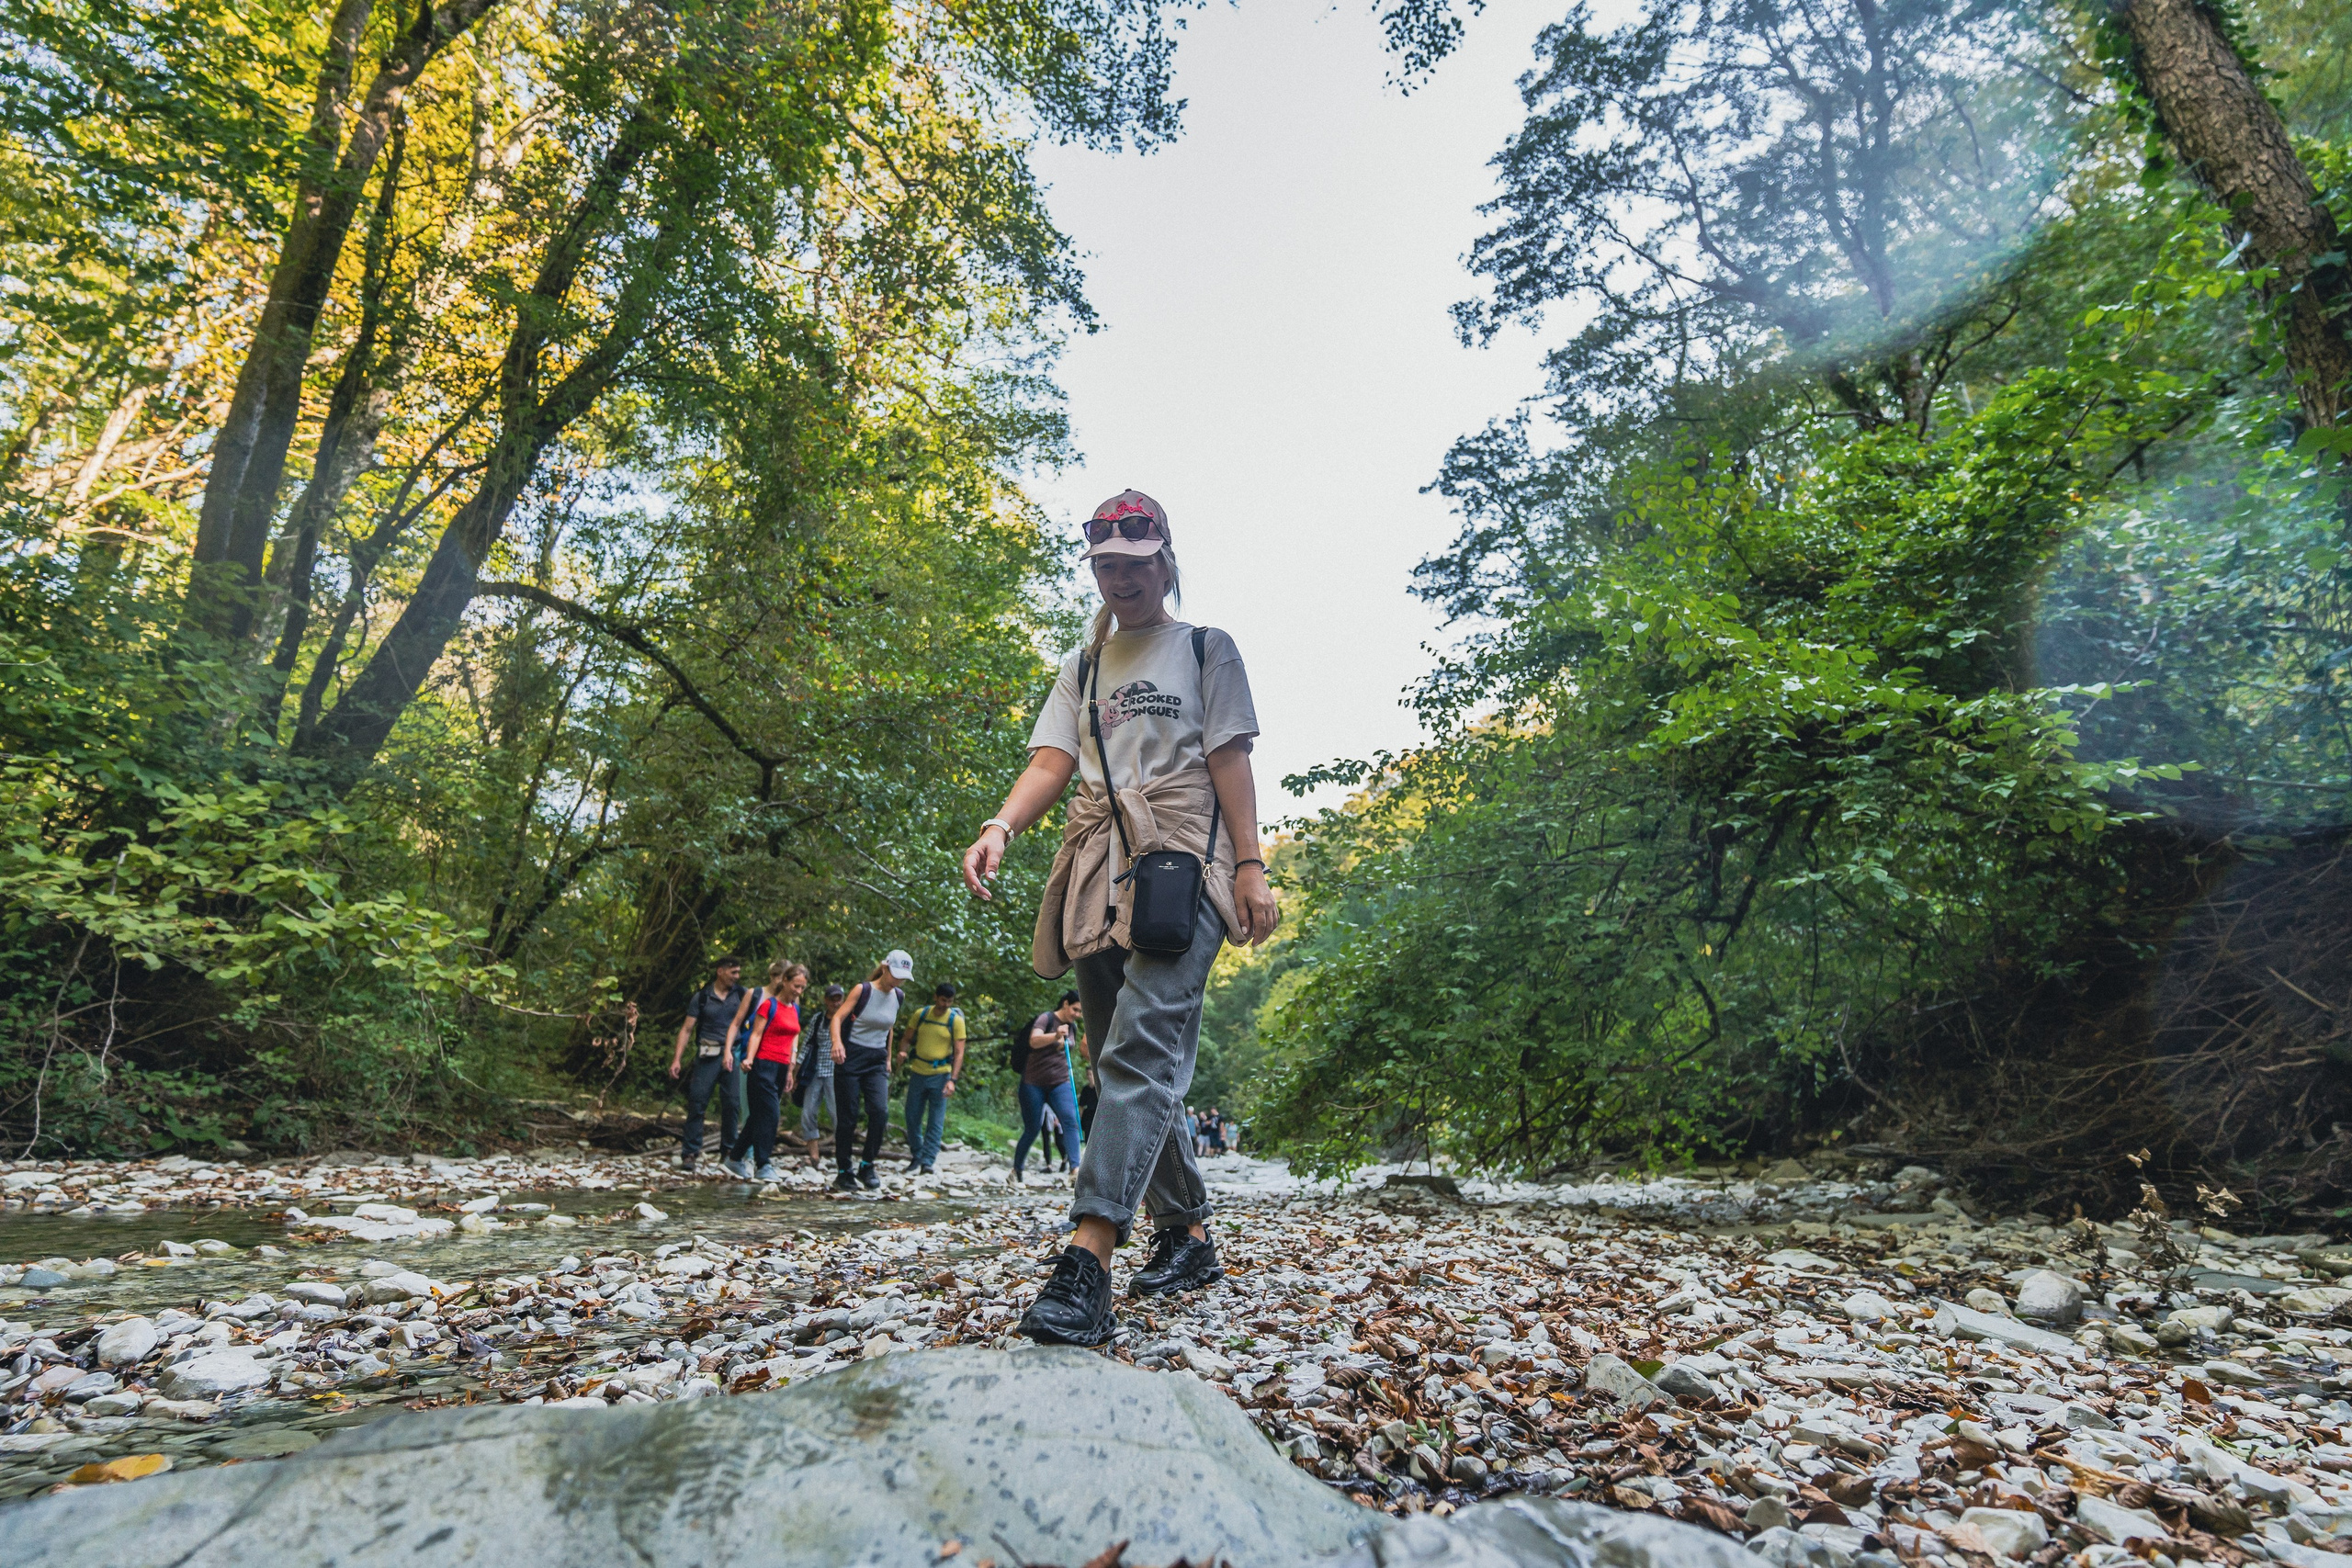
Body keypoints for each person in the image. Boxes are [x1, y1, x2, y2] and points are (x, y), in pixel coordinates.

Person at [962, 489, 1278, 1346]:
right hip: (1099, 857)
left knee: (1143, 1044)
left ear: (1165, 561)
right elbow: (1052, 758)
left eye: (1136, 564)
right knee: (1115, 1059)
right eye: (1106, 564)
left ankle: (1088, 1257)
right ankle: (1188, 1232)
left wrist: (1248, 866)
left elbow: (1229, 758)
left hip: (1187, 858)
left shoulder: (1207, 648)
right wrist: (1001, 826)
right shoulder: (1084, 665)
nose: (1120, 578)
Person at [831, 950, 913, 1192]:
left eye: (903, 977)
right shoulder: (863, 990)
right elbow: (837, 1018)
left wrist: (888, 1058)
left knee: (880, 1112)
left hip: (876, 1060)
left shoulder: (899, 996)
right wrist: (837, 1043)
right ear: (885, 968)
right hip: (852, 1054)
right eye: (895, 975)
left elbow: (889, 1028)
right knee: (848, 1116)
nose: (898, 980)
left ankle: (867, 1165)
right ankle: (844, 1171)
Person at [721, 960, 808, 1180]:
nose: (798, 991)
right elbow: (756, 1034)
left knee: (758, 1115)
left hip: (781, 1067)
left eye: (802, 987)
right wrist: (749, 1058)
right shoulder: (768, 1005)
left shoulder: (795, 1008)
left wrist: (790, 1071)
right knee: (771, 1114)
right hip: (762, 1064)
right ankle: (763, 1164)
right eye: (795, 986)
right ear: (785, 981)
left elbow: (793, 1039)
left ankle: (734, 1158)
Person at [669, 955, 752, 1173]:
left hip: (732, 1054)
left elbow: (754, 1024)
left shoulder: (742, 995)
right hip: (707, 1055)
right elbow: (687, 1029)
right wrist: (677, 1059)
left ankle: (728, 1151)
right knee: (697, 1102)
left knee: (732, 1104)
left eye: (738, 972)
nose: (737, 976)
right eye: (733, 972)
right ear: (720, 971)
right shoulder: (703, 997)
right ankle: (690, 1153)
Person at [1014, 992, 1087, 1183]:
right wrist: (1055, 1035)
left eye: (1080, 1011)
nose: (1077, 1014)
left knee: (1070, 1120)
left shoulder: (1072, 1027)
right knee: (1032, 1128)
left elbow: (1062, 1048)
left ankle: (1075, 1169)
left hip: (1059, 1082)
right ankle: (1017, 1169)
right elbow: (1034, 1040)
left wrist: (1061, 1043)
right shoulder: (1046, 1018)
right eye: (1075, 1009)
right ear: (1065, 1004)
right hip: (1033, 1083)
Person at [894, 981, 965, 1175]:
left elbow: (959, 1053)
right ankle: (917, 1154)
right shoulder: (921, 1014)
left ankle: (928, 1161)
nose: (945, 1004)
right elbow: (907, 1038)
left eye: (949, 1001)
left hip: (941, 1074)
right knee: (912, 1115)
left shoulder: (955, 1020)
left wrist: (953, 1080)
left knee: (935, 1120)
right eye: (943, 1000)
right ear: (935, 997)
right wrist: (902, 1051)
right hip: (918, 1071)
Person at [794, 983, 844, 1160]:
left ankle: (841, 1151)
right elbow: (807, 1045)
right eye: (832, 999)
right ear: (826, 1000)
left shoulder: (847, 1020)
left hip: (836, 1072)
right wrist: (795, 1073)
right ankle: (814, 1155)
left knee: (837, 1114)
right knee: (808, 1113)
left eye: (839, 999)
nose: (836, 1003)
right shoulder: (818, 1019)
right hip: (814, 1072)